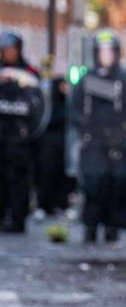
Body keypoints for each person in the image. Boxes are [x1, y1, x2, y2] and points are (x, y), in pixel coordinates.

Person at [70, 29, 126, 243]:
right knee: (93, 186)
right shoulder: (85, 79)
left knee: (116, 187)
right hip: (93, 143)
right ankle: (90, 226)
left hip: (120, 143)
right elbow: (74, 110)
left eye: (110, 51)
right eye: (102, 51)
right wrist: (86, 129)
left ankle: (113, 227)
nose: (106, 56)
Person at [0, 31, 45, 233]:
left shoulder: (29, 73)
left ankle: (17, 218)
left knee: (19, 181)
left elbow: (41, 106)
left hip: (21, 139)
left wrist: (31, 134)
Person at [36, 77, 74, 219]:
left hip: (63, 146)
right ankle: (44, 205)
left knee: (63, 176)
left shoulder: (68, 102)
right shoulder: (49, 103)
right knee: (47, 175)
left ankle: (60, 204)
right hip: (49, 145)